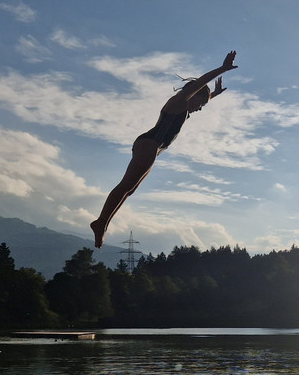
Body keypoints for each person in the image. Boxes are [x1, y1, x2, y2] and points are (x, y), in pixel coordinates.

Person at [90, 51, 238, 248]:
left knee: (129, 189)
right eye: (201, 103)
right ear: (194, 95)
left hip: (153, 148)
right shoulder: (178, 102)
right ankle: (101, 223)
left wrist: (214, 95)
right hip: (149, 144)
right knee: (125, 185)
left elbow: (199, 94)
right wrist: (222, 69)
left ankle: (103, 223)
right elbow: (198, 84)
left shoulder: (184, 110)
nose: (200, 108)